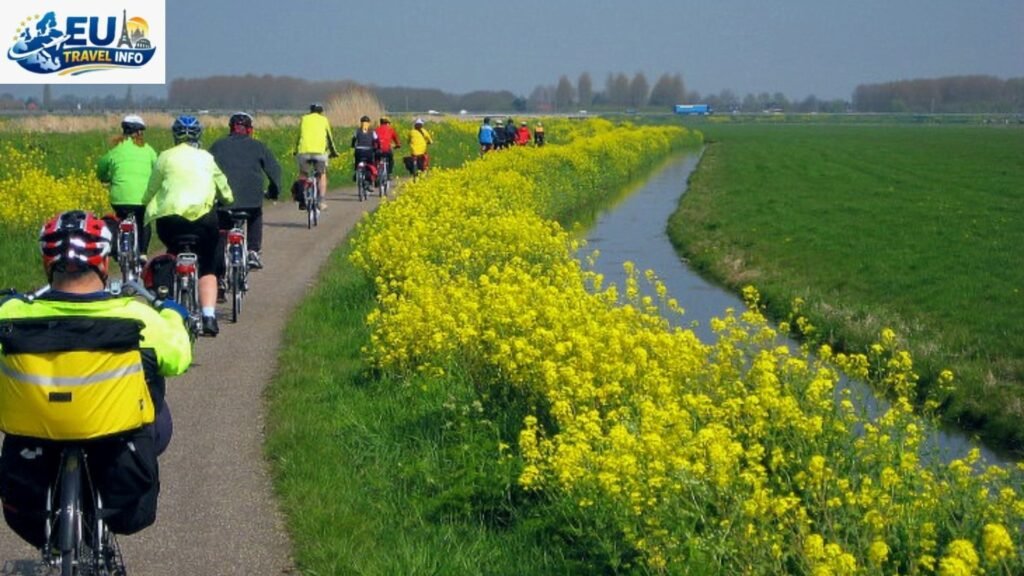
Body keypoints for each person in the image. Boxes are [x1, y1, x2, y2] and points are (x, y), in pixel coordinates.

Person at [0, 210, 192, 548]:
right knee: (156, 405)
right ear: (103, 262)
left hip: (34, 438)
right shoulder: (137, 315)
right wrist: (174, 317)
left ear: (47, 263)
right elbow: (178, 360)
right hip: (115, 437)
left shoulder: (11, 315)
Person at [142, 115, 233, 337]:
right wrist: (228, 200)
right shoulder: (207, 158)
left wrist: (144, 202)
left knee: (172, 253)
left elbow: (150, 191)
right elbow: (224, 189)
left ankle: (170, 306)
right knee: (208, 265)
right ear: (198, 136)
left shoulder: (164, 157)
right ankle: (209, 317)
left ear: (174, 136)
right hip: (203, 222)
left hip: (170, 222)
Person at [209, 112, 282, 272]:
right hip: (251, 201)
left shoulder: (218, 146)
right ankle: (253, 251)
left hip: (224, 201)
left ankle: (220, 259)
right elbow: (275, 170)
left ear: (231, 128)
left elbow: (205, 168)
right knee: (255, 214)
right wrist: (274, 192)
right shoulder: (259, 146)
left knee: (222, 226)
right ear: (250, 130)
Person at [96, 114, 158, 255]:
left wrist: (106, 178)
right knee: (144, 221)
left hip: (119, 200)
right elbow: (157, 170)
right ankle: (143, 254)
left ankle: (119, 246)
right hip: (142, 199)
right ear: (139, 132)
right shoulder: (148, 150)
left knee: (120, 218)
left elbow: (101, 169)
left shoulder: (115, 150)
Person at [293, 103, 338, 210]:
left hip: (304, 151)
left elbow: (299, 137)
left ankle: (302, 200)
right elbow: (330, 138)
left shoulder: (304, 119)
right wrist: (334, 152)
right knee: (322, 174)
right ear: (321, 111)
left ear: (311, 111)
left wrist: (295, 150)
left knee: (303, 174)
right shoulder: (324, 120)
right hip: (320, 153)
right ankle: (321, 200)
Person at [351, 115, 378, 184]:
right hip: (369, 150)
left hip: (359, 150)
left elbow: (353, 139)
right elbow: (376, 140)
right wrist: (376, 147)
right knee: (370, 163)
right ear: (369, 123)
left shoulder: (357, 131)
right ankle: (371, 177)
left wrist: (353, 146)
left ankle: (356, 173)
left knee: (357, 161)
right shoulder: (372, 132)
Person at [374, 116, 401, 180]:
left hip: (378, 150)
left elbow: (372, 140)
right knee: (391, 160)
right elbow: (396, 140)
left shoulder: (376, 130)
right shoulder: (391, 130)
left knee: (375, 159)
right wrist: (398, 145)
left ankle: (375, 173)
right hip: (387, 150)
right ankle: (389, 173)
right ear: (387, 123)